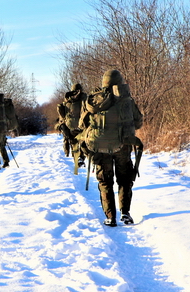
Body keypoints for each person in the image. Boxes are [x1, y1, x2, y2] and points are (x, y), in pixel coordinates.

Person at [79, 70, 143, 226]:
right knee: (125, 180)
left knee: (105, 182)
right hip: (123, 146)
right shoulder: (126, 99)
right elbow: (139, 122)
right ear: (120, 82)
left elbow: (82, 125)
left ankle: (110, 217)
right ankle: (125, 213)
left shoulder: (93, 101)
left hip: (100, 147)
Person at [57, 83, 86, 170]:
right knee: (83, 141)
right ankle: (81, 157)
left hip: (70, 125)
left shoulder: (67, 101)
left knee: (74, 143)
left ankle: (76, 159)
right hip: (82, 125)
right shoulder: (84, 99)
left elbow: (62, 113)